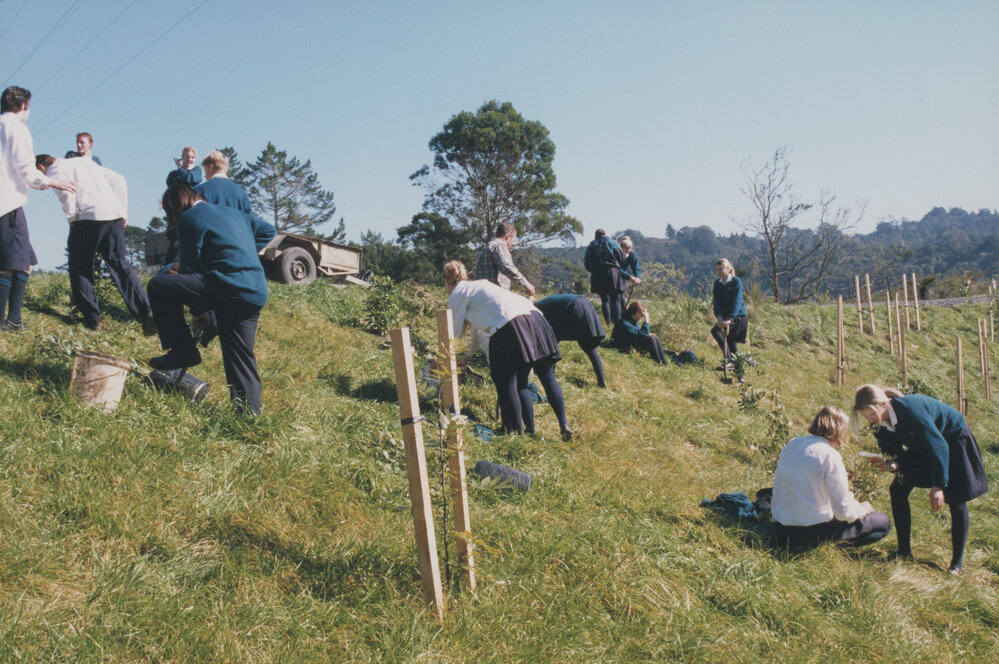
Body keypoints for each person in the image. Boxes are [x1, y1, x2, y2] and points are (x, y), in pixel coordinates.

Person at [146, 186, 276, 414]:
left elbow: (189, 267)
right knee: (240, 356)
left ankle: (182, 350)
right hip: (254, 291)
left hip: (227, 286)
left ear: (175, 208)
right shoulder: (235, 214)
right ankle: (248, 418)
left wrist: (198, 311)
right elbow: (268, 230)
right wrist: (242, 251)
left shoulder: (189, 218)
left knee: (158, 286)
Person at [852, 385, 989, 574]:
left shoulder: (911, 411)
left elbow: (939, 446)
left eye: (872, 415)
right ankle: (904, 552)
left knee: (955, 500)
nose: (871, 420)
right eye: (867, 417)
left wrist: (938, 485)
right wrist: (890, 464)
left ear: (883, 404)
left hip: (953, 441)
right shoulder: (881, 423)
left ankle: (956, 564)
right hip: (924, 447)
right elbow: (899, 454)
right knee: (897, 490)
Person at [444, 260, 571, 440]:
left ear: (446, 281)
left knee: (505, 381)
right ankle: (561, 424)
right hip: (535, 318)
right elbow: (477, 329)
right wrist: (466, 357)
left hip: (511, 325)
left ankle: (515, 433)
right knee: (544, 377)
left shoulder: (458, 292)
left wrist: (441, 359)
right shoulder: (481, 287)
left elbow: (452, 333)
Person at [35, 154, 153, 332]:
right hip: (113, 214)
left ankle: (92, 317)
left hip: (87, 217)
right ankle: (146, 311)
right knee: (119, 263)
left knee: (79, 265)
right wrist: (123, 210)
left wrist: (72, 218)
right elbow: (119, 180)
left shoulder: (54, 169)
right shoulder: (85, 162)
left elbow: (67, 192)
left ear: (42, 167)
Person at [0, 85, 74, 331]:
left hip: (6, 203)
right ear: (23, 106)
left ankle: (12, 319)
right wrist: (51, 181)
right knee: (15, 261)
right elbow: (24, 167)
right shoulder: (16, 128)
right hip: (7, 203)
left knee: (21, 258)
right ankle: (8, 321)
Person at [772, 405, 891, 550]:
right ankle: (830, 548)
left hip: (780, 529)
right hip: (806, 532)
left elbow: (805, 480)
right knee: (882, 522)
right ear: (840, 430)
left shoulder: (793, 443)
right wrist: (862, 509)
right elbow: (843, 511)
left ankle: (825, 545)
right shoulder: (830, 455)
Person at [534, 293, 606, 388]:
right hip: (586, 306)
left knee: (552, 339)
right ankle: (601, 383)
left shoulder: (536, 309)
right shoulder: (543, 303)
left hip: (575, 307)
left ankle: (550, 374)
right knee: (589, 347)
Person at [474, 221, 535, 296]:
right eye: (512, 240)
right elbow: (507, 267)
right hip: (496, 295)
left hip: (483, 295)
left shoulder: (486, 247)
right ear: (507, 237)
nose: (511, 244)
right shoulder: (499, 245)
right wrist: (526, 284)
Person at [711, 258, 748, 368]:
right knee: (730, 341)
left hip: (738, 316)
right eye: (717, 269)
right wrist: (719, 316)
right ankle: (737, 363)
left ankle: (730, 361)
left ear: (727, 268)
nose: (719, 272)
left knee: (716, 331)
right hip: (725, 316)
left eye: (721, 269)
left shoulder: (736, 281)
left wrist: (729, 318)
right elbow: (716, 302)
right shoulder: (717, 284)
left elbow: (737, 302)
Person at [584, 229, 626, 325]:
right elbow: (622, 258)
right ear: (605, 234)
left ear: (595, 236)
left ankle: (608, 324)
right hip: (612, 272)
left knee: (604, 300)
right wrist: (618, 267)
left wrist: (593, 271)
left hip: (597, 273)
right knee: (615, 298)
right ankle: (618, 324)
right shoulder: (612, 243)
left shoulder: (592, 245)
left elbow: (586, 263)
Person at [610, 300, 669, 365]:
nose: (642, 316)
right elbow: (642, 335)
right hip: (621, 346)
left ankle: (664, 362)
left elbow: (640, 333)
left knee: (654, 336)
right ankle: (658, 362)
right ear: (636, 312)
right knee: (650, 338)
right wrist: (646, 320)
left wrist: (649, 334)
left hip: (629, 342)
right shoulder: (624, 323)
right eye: (641, 314)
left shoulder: (632, 320)